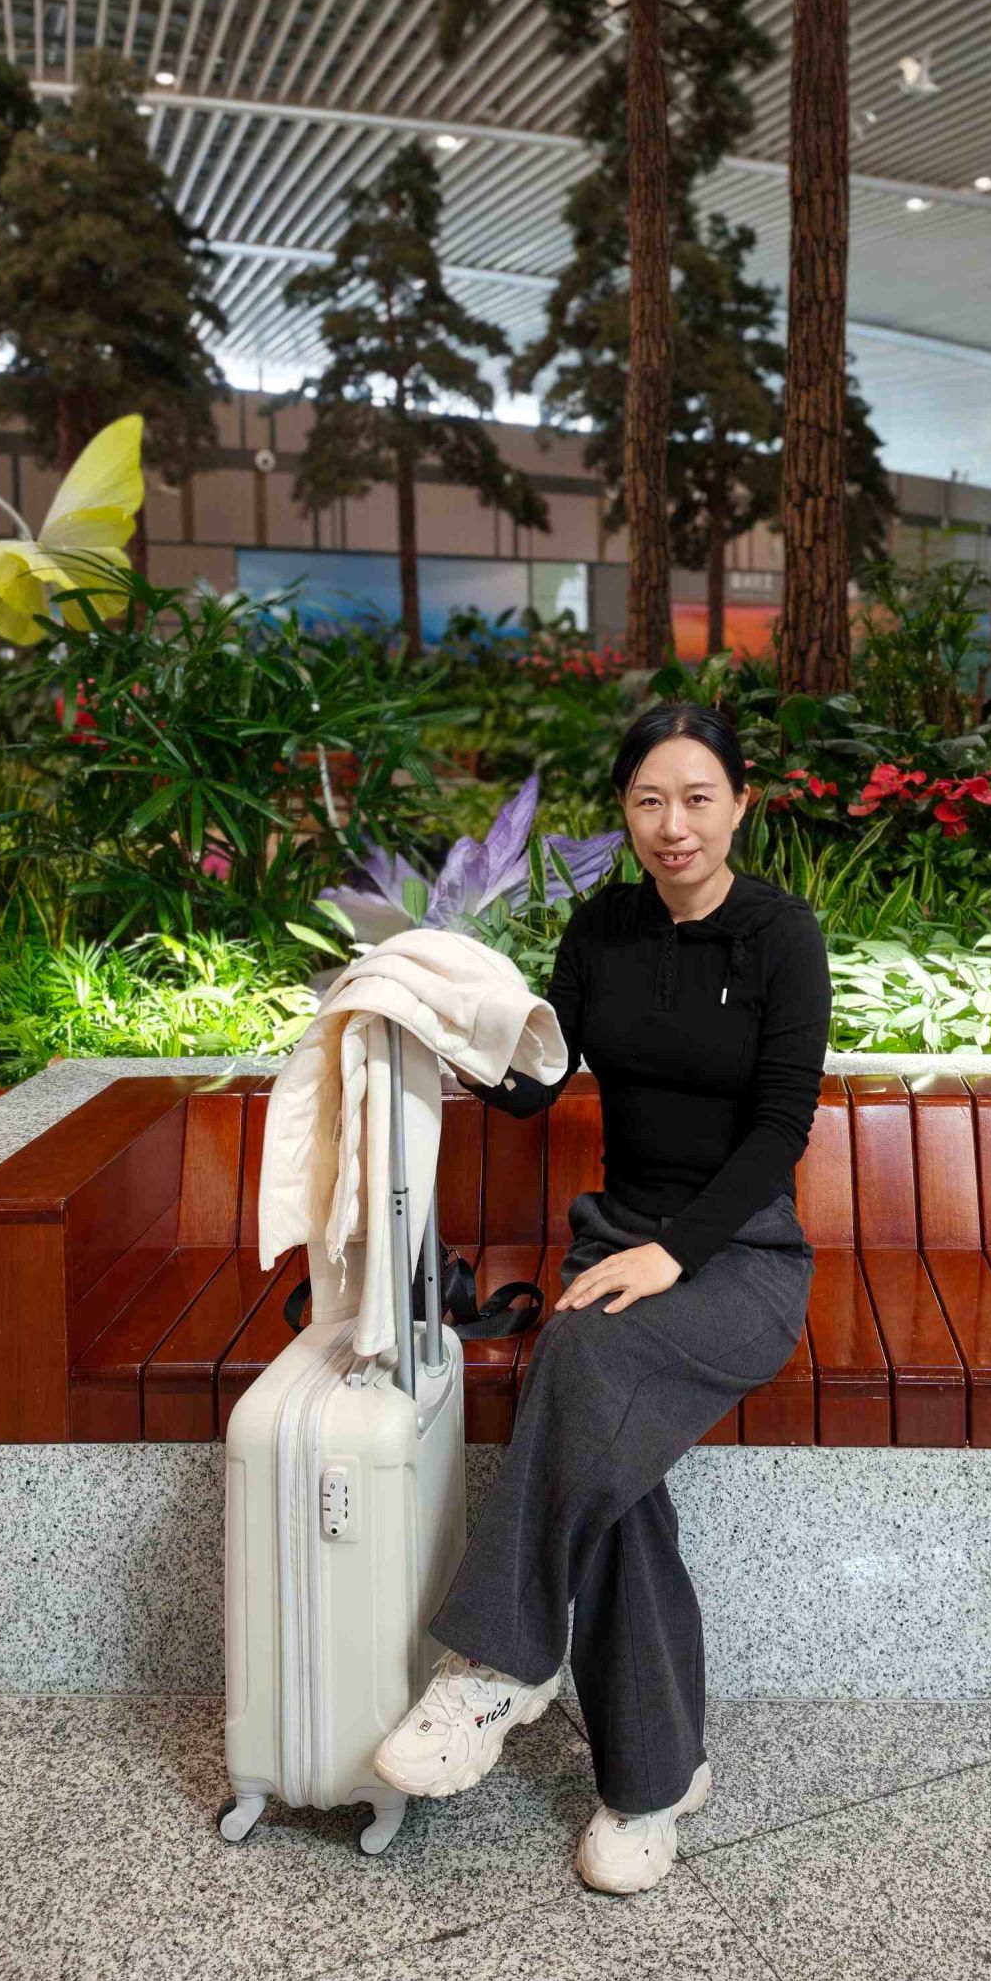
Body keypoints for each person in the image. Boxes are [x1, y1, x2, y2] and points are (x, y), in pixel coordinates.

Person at [371, 700, 827, 1894]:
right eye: (647, 801)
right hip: (618, 1241)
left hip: (740, 1257)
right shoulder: (602, 928)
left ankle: (496, 1666)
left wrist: (676, 1253)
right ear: (623, 811)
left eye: (696, 799)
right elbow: (540, 1076)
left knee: (577, 1357)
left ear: (738, 805)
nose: (672, 825)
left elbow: (779, 1129)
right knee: (613, 1477)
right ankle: (651, 1784)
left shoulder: (781, 937)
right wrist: (440, 1033)